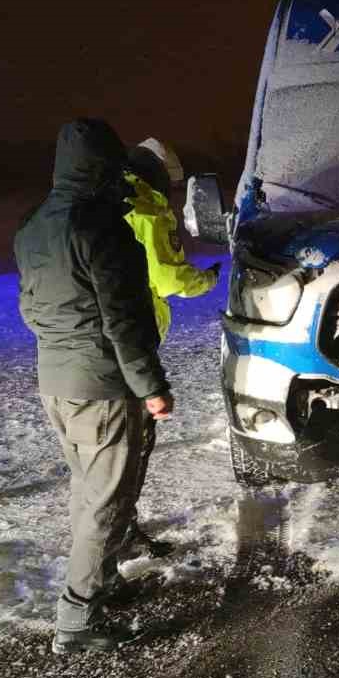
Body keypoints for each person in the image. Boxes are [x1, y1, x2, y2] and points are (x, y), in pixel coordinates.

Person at [15, 119, 174, 653]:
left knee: (89, 490)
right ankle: (77, 620)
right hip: (104, 387)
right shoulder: (102, 228)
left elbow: (30, 308)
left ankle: (101, 584)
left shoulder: (33, 225)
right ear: (107, 168)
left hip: (57, 382)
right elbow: (123, 321)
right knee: (107, 501)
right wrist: (150, 385)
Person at [117, 137, 220, 560]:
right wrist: (208, 280)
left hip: (83, 341)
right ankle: (118, 537)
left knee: (107, 450)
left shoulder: (105, 198)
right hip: (131, 337)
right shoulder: (148, 208)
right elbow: (169, 279)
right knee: (132, 444)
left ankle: (114, 532)